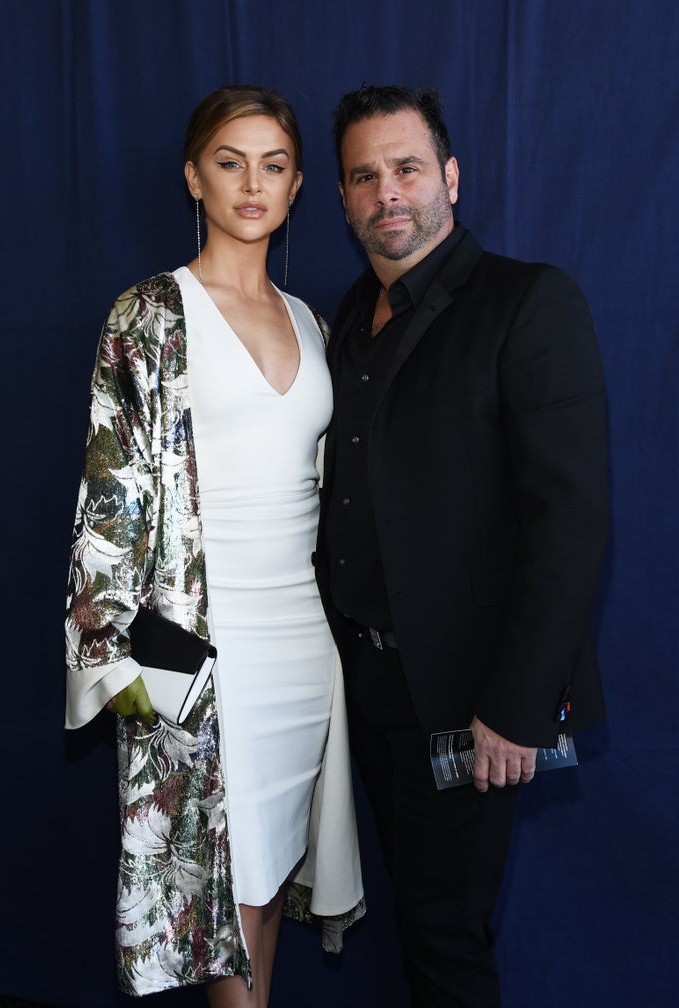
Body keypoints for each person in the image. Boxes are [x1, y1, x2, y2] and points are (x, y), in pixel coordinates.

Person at [65, 85, 363, 1008]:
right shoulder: (147, 313)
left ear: (298, 185)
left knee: (265, 886)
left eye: (273, 165)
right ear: (196, 176)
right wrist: (113, 657)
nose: (252, 183)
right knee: (219, 898)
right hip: (199, 644)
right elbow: (110, 489)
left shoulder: (313, 320)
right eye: (231, 161)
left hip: (304, 647)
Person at [315, 84, 609, 1007]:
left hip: (473, 700)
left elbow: (569, 521)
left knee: (445, 937)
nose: (386, 192)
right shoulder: (342, 324)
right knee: (420, 918)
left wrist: (520, 708)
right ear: (342, 198)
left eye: (406, 168)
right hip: (363, 689)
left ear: (449, 176)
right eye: (365, 176)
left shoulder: (528, 301)